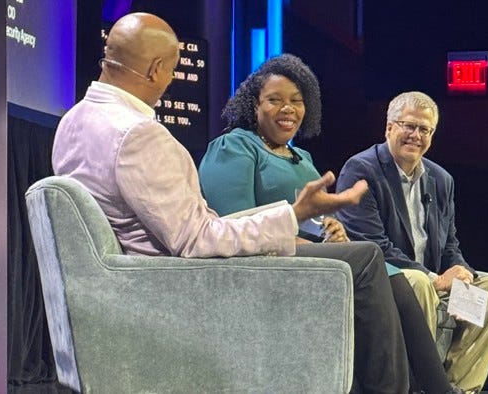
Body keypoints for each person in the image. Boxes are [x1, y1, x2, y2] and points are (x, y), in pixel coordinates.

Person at [51, 13, 408, 393]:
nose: (171, 81)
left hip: (130, 288)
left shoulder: (72, 122)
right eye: (171, 71)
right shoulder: (138, 135)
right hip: (178, 290)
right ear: (156, 69)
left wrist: (291, 216)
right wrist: (293, 215)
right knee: (366, 259)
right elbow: (196, 241)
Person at [198, 53, 457, 394]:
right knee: (367, 256)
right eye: (274, 100)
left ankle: (432, 389)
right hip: (260, 261)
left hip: (306, 253)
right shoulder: (234, 147)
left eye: (296, 101)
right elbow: (234, 225)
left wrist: (333, 230)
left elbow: (314, 217)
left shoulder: (300, 157)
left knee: (398, 283)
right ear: (253, 104)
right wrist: (305, 240)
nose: (287, 109)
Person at [336, 91, 488, 392]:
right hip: (384, 279)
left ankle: (457, 386)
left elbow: (449, 244)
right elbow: (372, 244)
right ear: (389, 127)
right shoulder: (361, 170)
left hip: (431, 279)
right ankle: (424, 386)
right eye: (409, 126)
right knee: (416, 282)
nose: (416, 135)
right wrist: (436, 279)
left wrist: (461, 272)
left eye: (425, 129)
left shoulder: (441, 179)